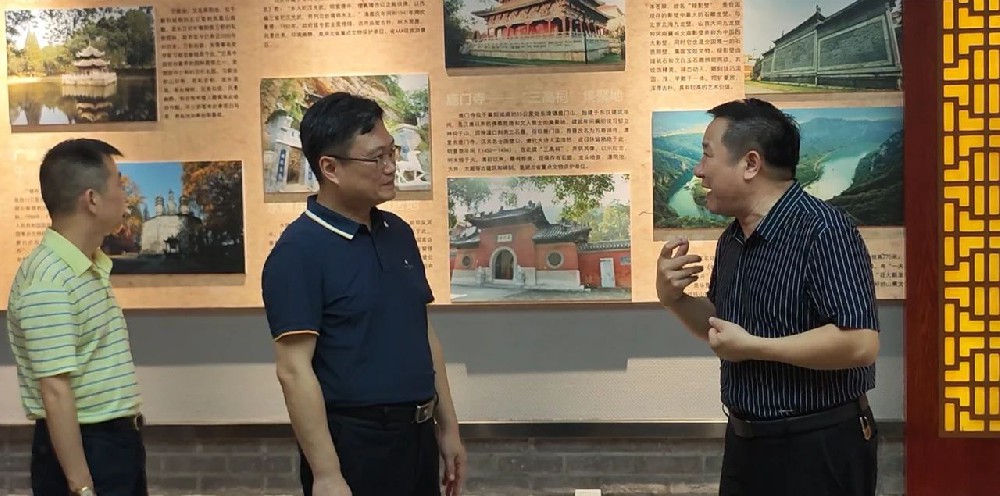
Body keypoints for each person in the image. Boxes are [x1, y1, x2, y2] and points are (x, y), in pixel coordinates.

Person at [655, 98, 881, 496]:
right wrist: (674, 298)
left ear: (751, 164)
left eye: (707, 155)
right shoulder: (732, 239)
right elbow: (722, 328)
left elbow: (860, 343)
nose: (698, 170)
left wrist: (755, 347)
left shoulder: (824, 229)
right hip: (745, 444)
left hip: (819, 446)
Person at [262, 92, 466, 496]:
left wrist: (449, 428)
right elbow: (293, 370)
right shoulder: (298, 252)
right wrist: (326, 474)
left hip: (418, 436)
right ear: (330, 168)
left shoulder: (398, 234)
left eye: (392, 153)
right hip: (356, 445)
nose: (391, 167)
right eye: (376, 158)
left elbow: (423, 334)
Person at [6, 138, 147, 496]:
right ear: (92, 199)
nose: (125, 197)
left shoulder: (85, 266)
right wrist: (81, 485)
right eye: (118, 184)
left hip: (114, 443)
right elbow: (55, 391)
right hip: (88, 449)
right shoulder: (48, 280)